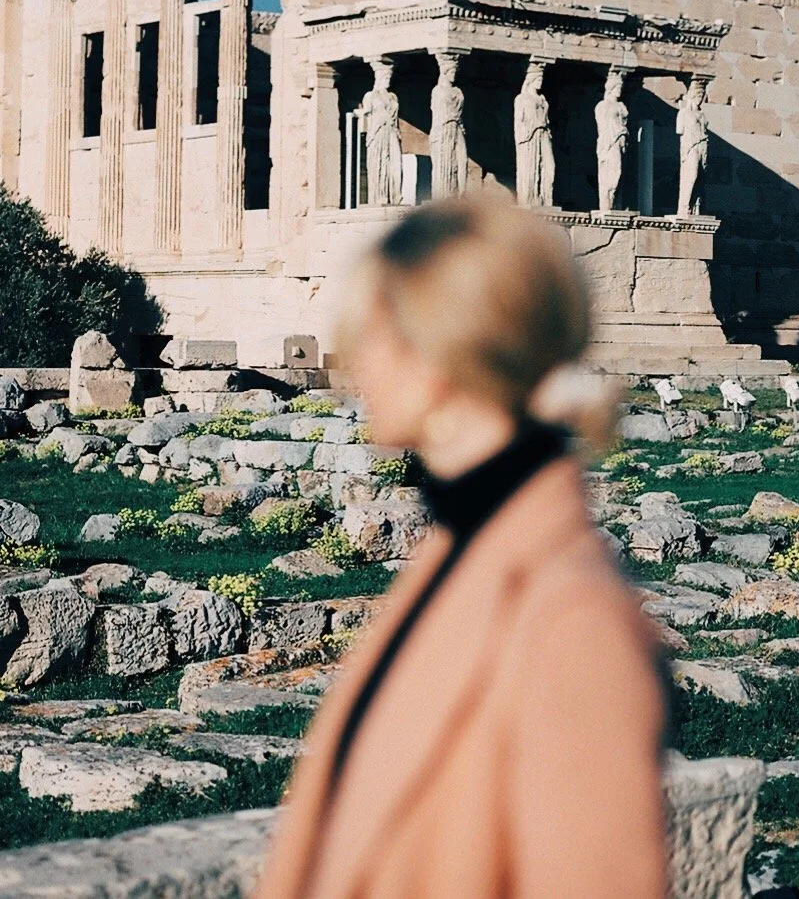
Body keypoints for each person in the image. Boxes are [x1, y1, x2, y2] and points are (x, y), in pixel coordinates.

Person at [255, 197, 668, 899]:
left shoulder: (568, 617)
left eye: (371, 336)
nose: (354, 367)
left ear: (438, 352)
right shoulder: (461, 553)